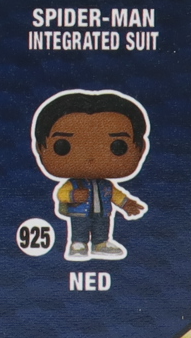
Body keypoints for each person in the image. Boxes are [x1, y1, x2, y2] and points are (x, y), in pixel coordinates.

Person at [30, 89, 150, 261]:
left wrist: (127, 204)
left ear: (140, 149)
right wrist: (73, 196)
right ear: (40, 148)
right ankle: (78, 243)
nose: (91, 156)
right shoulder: (73, 184)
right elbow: (61, 194)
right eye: (63, 146)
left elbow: (116, 195)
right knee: (80, 228)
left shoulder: (106, 185)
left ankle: (100, 243)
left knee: (102, 228)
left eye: (118, 146)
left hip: (103, 213)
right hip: (79, 213)